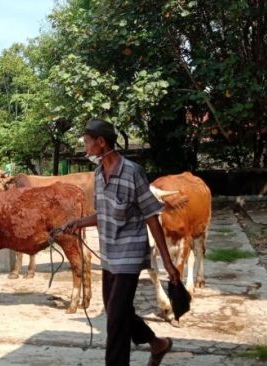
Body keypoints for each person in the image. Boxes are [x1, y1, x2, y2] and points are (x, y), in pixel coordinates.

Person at [62, 118, 180, 366]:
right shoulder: (98, 173)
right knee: (119, 311)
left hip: (129, 255)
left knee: (115, 320)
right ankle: (158, 344)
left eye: (87, 143)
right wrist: (79, 223)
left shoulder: (132, 172)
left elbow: (151, 215)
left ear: (101, 142)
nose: (85, 148)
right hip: (109, 255)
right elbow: (104, 213)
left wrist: (167, 263)